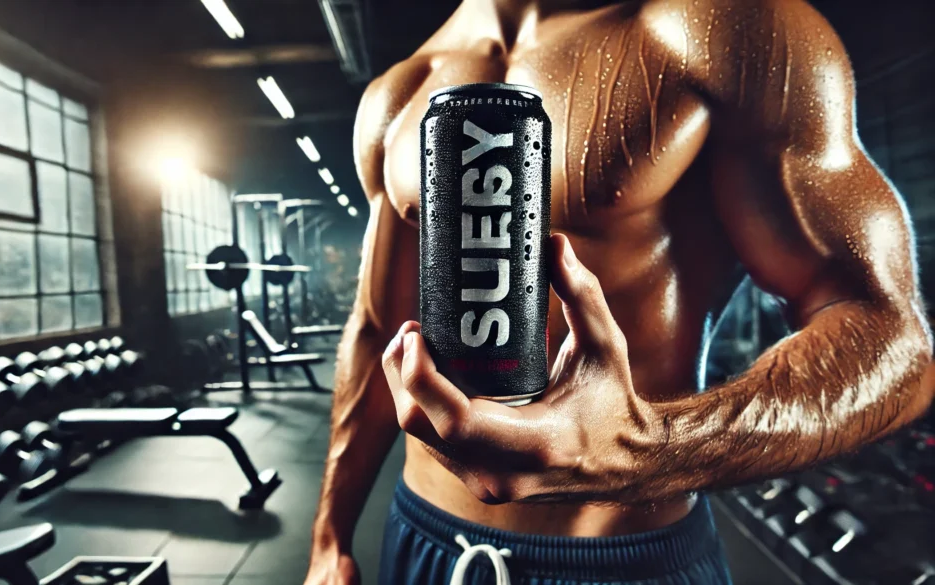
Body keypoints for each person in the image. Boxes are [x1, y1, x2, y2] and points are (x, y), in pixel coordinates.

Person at [305, 0, 935, 583]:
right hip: (423, 535)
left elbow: (889, 333)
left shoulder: (719, 25)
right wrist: (329, 536)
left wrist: (648, 449)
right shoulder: (402, 88)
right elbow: (372, 328)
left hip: (623, 558)